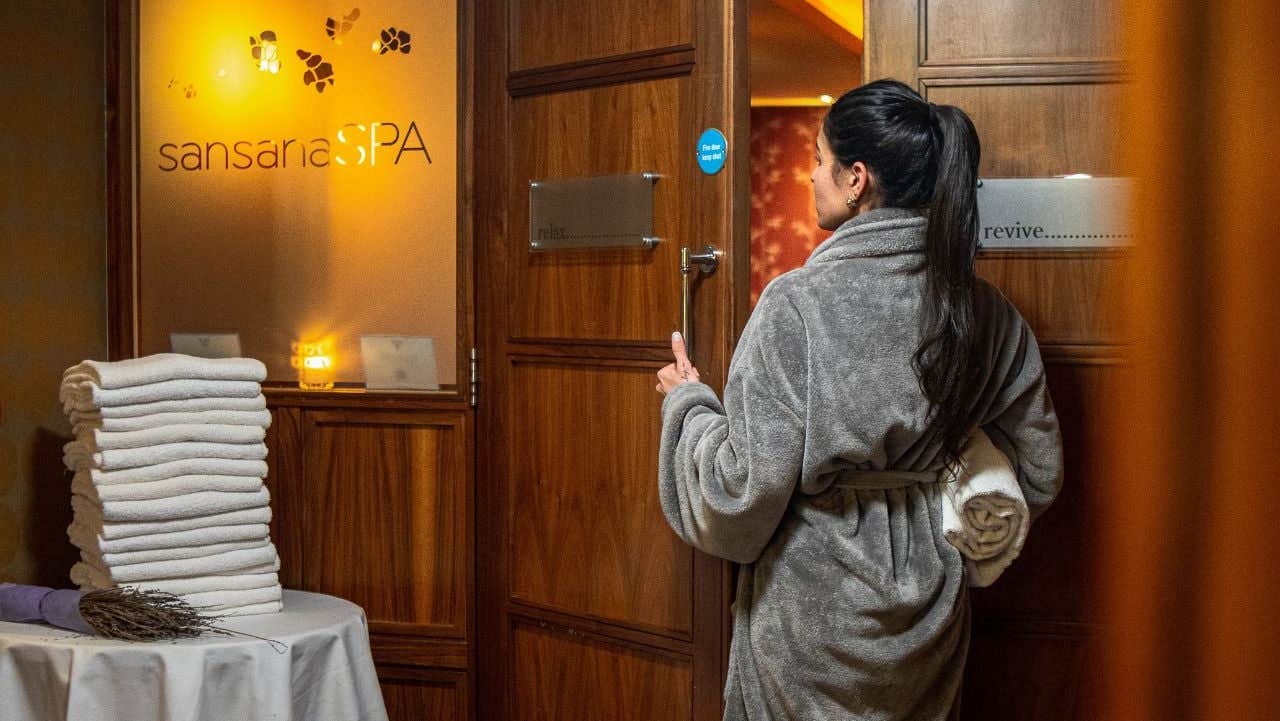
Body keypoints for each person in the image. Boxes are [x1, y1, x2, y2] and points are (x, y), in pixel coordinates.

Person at [654, 79, 1064, 720]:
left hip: (808, 620)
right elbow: (1038, 466)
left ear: (856, 179)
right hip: (930, 612)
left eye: (818, 159)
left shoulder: (796, 306)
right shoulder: (981, 310)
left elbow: (737, 496)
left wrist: (689, 406)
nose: (809, 175)